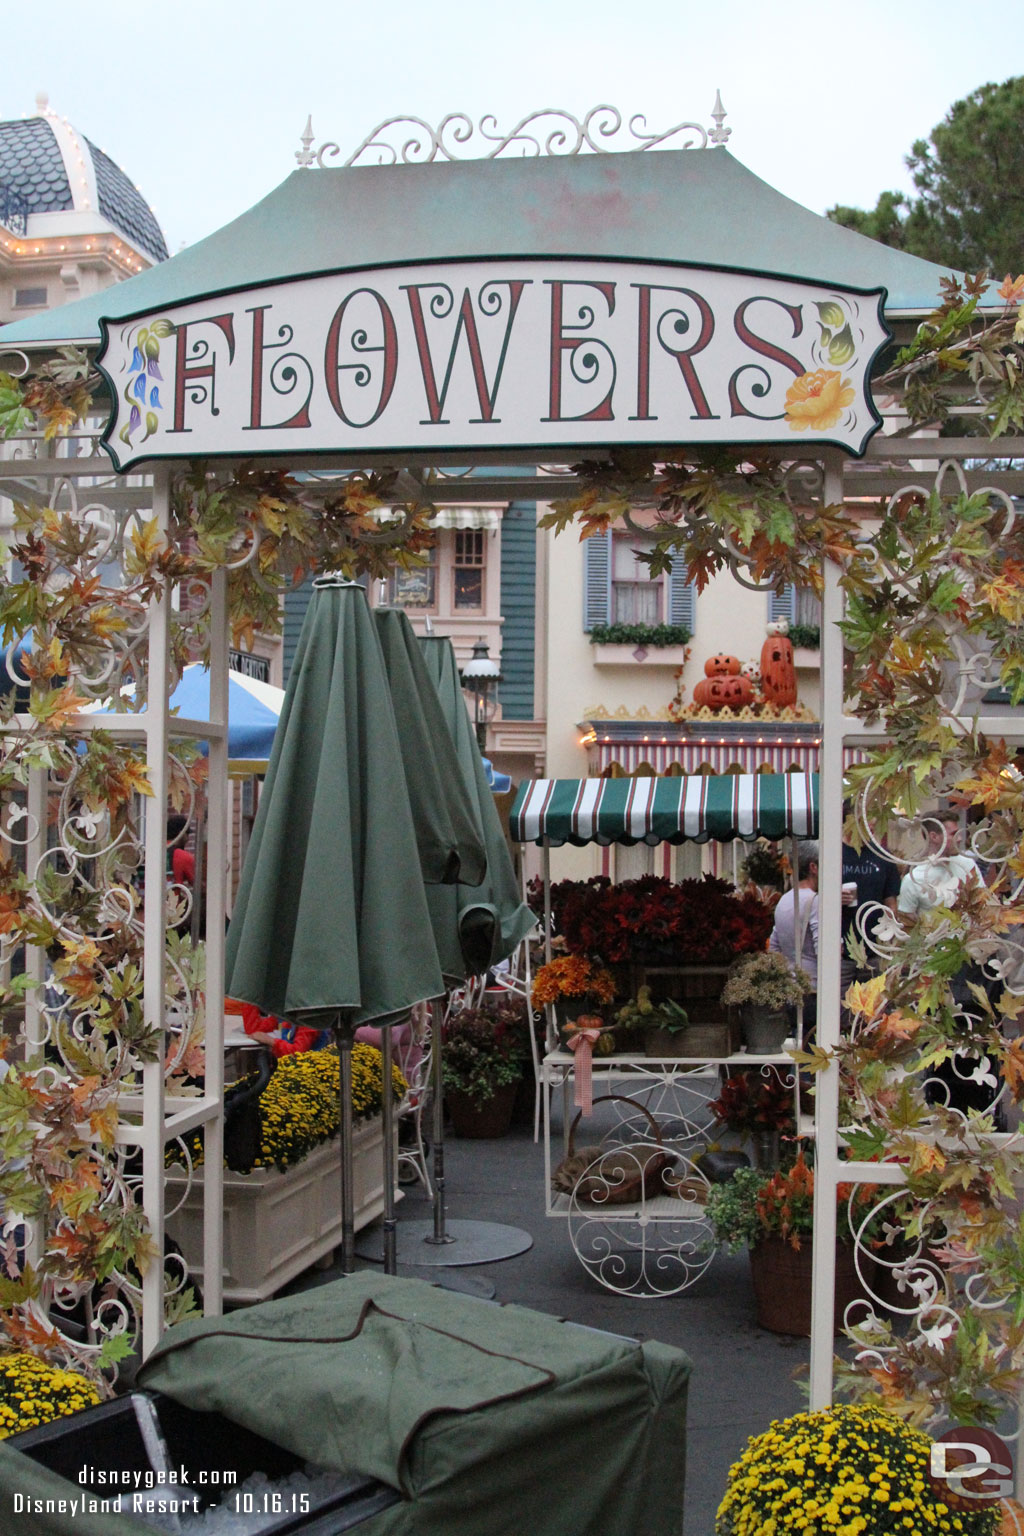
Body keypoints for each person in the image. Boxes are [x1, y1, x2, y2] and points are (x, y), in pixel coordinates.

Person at [769, 839, 818, 1041]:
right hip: (814, 988)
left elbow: (774, 946)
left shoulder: (783, 900)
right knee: (814, 1048)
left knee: (800, 1046)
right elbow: (823, 948)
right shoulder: (814, 900)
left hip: (790, 987)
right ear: (813, 867)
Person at [841, 835, 901, 989]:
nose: (869, 831)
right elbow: (814, 895)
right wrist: (833, 898)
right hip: (839, 948)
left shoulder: (883, 856)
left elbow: (890, 901)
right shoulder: (833, 852)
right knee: (836, 1005)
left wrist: (890, 937)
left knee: (872, 1006)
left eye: (873, 828)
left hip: (874, 948)